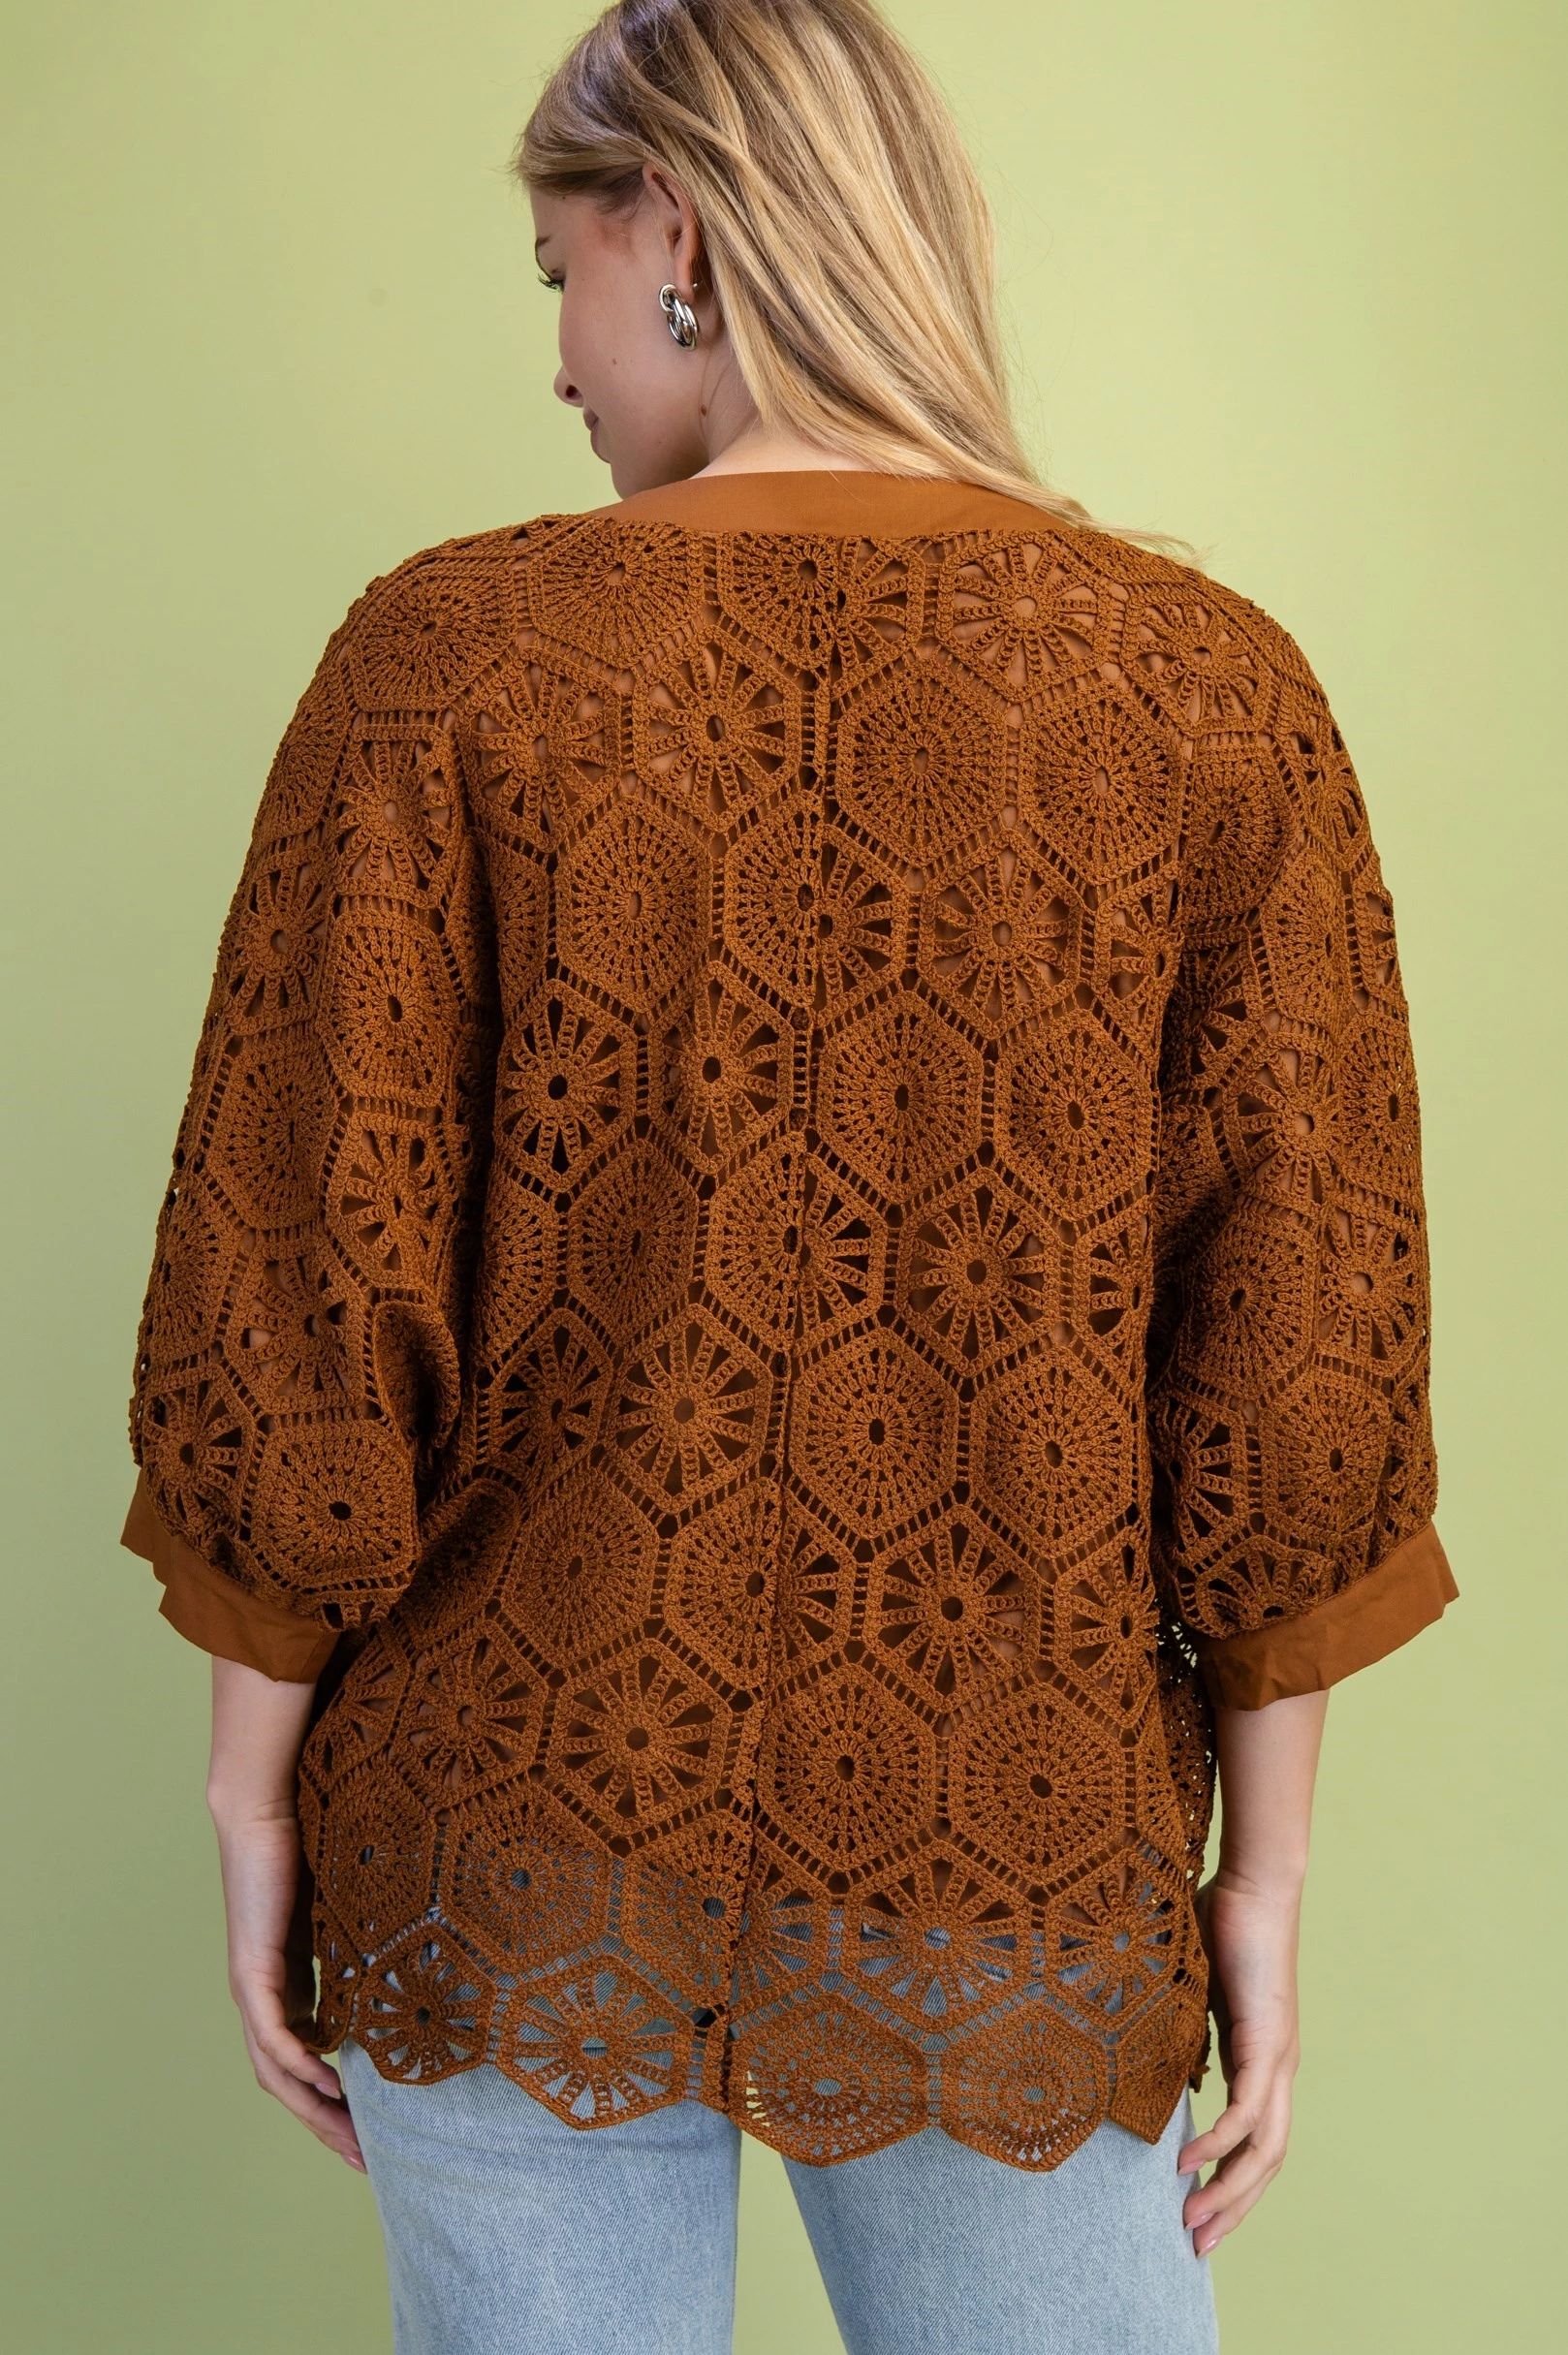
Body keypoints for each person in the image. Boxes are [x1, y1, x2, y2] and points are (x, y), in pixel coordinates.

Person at [120, 2, 1458, 2348]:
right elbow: (1290, 1359)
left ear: (679, 232)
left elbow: (304, 1276)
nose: (551, 354)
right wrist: (1262, 1871)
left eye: (553, 267)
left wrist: (250, 1792)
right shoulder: (1208, 693)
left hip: (507, 1826)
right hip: (1013, 1838)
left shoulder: (450, 662)